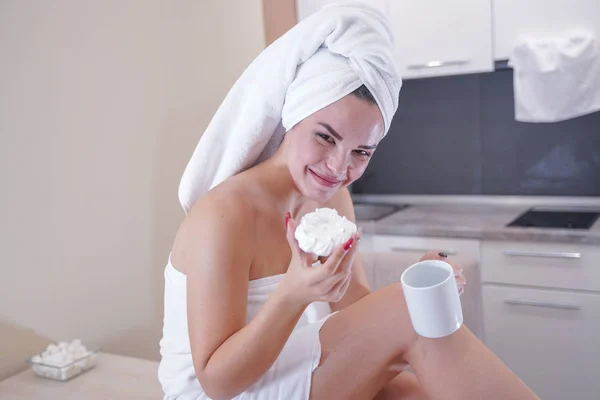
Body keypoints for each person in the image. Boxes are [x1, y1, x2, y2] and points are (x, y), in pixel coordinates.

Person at [158, 3, 540, 400]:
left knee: (421, 389)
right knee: (411, 311)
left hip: (289, 363)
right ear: (293, 116)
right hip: (223, 390)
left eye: (362, 151)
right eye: (325, 137)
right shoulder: (225, 215)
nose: (339, 166)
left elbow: (351, 305)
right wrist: (293, 294)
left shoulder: (333, 200)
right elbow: (216, 382)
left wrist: (416, 278)